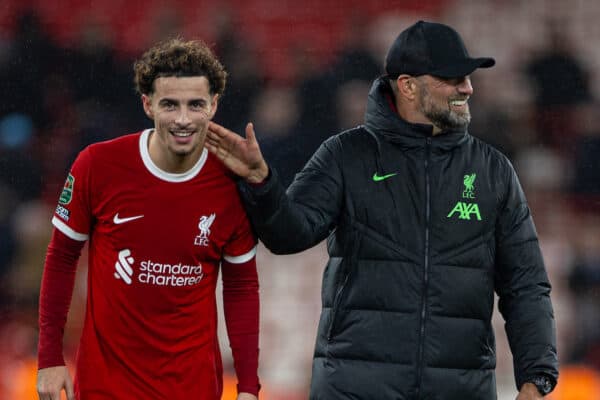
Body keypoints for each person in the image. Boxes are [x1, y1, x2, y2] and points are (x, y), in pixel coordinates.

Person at [206, 21, 558, 399]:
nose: (467, 88)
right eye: (452, 78)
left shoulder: (493, 171)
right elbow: (289, 234)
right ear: (407, 85)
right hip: (356, 389)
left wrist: (536, 380)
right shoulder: (346, 155)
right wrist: (262, 181)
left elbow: (525, 284)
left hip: (459, 390)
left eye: (467, 78)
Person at [36, 38, 260, 400]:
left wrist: (249, 387)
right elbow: (62, 257)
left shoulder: (231, 184)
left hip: (193, 388)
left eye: (195, 105)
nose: (183, 119)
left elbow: (242, 287)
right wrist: (49, 358)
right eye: (170, 104)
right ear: (148, 104)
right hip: (106, 386)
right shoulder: (97, 165)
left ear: (214, 106)